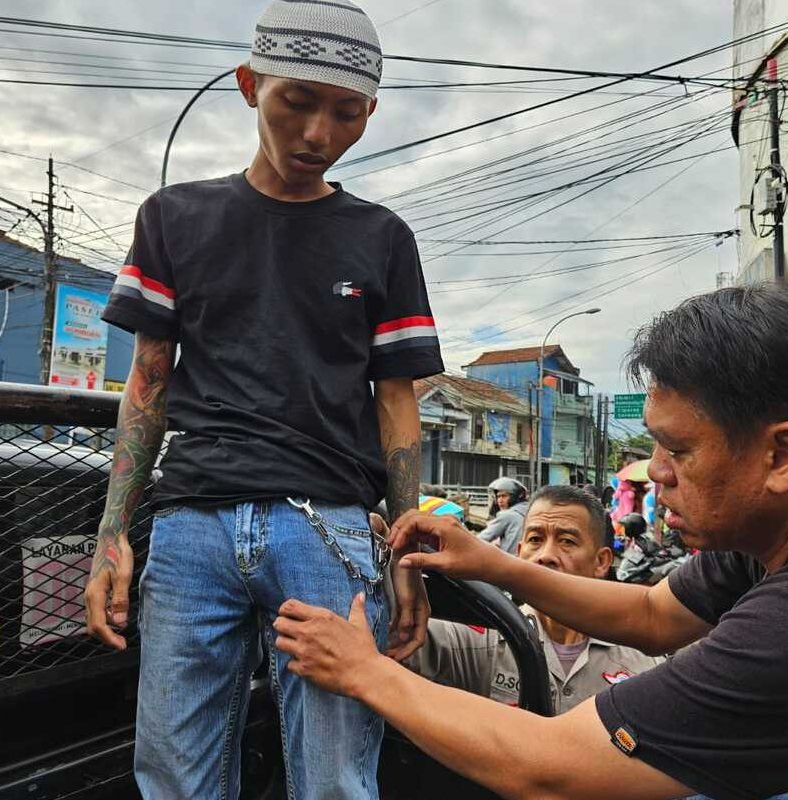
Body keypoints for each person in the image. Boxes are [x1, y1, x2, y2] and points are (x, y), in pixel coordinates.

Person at [272, 283, 788, 799]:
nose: (654, 472)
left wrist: (366, 672)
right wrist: (493, 564)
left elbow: (553, 771)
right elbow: (655, 615)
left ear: (783, 452)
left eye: (678, 450)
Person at [83, 3, 444, 798]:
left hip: (330, 529)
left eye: (347, 113)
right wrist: (112, 534)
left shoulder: (383, 237)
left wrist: (405, 558)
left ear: (370, 112)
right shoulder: (173, 217)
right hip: (192, 524)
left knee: (336, 779)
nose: (318, 133)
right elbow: (147, 383)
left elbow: (397, 401)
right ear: (250, 85)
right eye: (297, 102)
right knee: (173, 776)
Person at [409, 485, 664, 714]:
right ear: (520, 552)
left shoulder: (644, 662)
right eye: (535, 540)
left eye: (567, 541)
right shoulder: (484, 637)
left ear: (601, 562)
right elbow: (403, 639)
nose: (546, 555)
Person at [478, 477, 529, 553]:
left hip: (510, 558)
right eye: (498, 496)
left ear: (515, 497)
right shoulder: (529, 510)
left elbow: (481, 539)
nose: (500, 500)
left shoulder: (507, 515)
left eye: (504, 496)